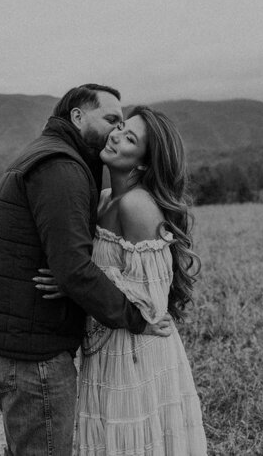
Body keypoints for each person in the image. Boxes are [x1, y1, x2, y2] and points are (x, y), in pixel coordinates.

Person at [0, 85, 173, 456]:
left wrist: (71, 276)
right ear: (77, 116)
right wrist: (136, 318)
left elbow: (71, 265)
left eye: (124, 127)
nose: (115, 131)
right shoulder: (62, 167)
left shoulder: (55, 157)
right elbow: (74, 268)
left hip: (17, 341)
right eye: (111, 120)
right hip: (32, 353)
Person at [36, 105, 208, 455]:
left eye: (130, 138)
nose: (116, 135)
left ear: (143, 163)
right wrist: (74, 278)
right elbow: (94, 272)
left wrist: (75, 283)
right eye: (121, 126)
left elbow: (150, 302)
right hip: (106, 344)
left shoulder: (137, 206)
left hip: (137, 349)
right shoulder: (103, 201)